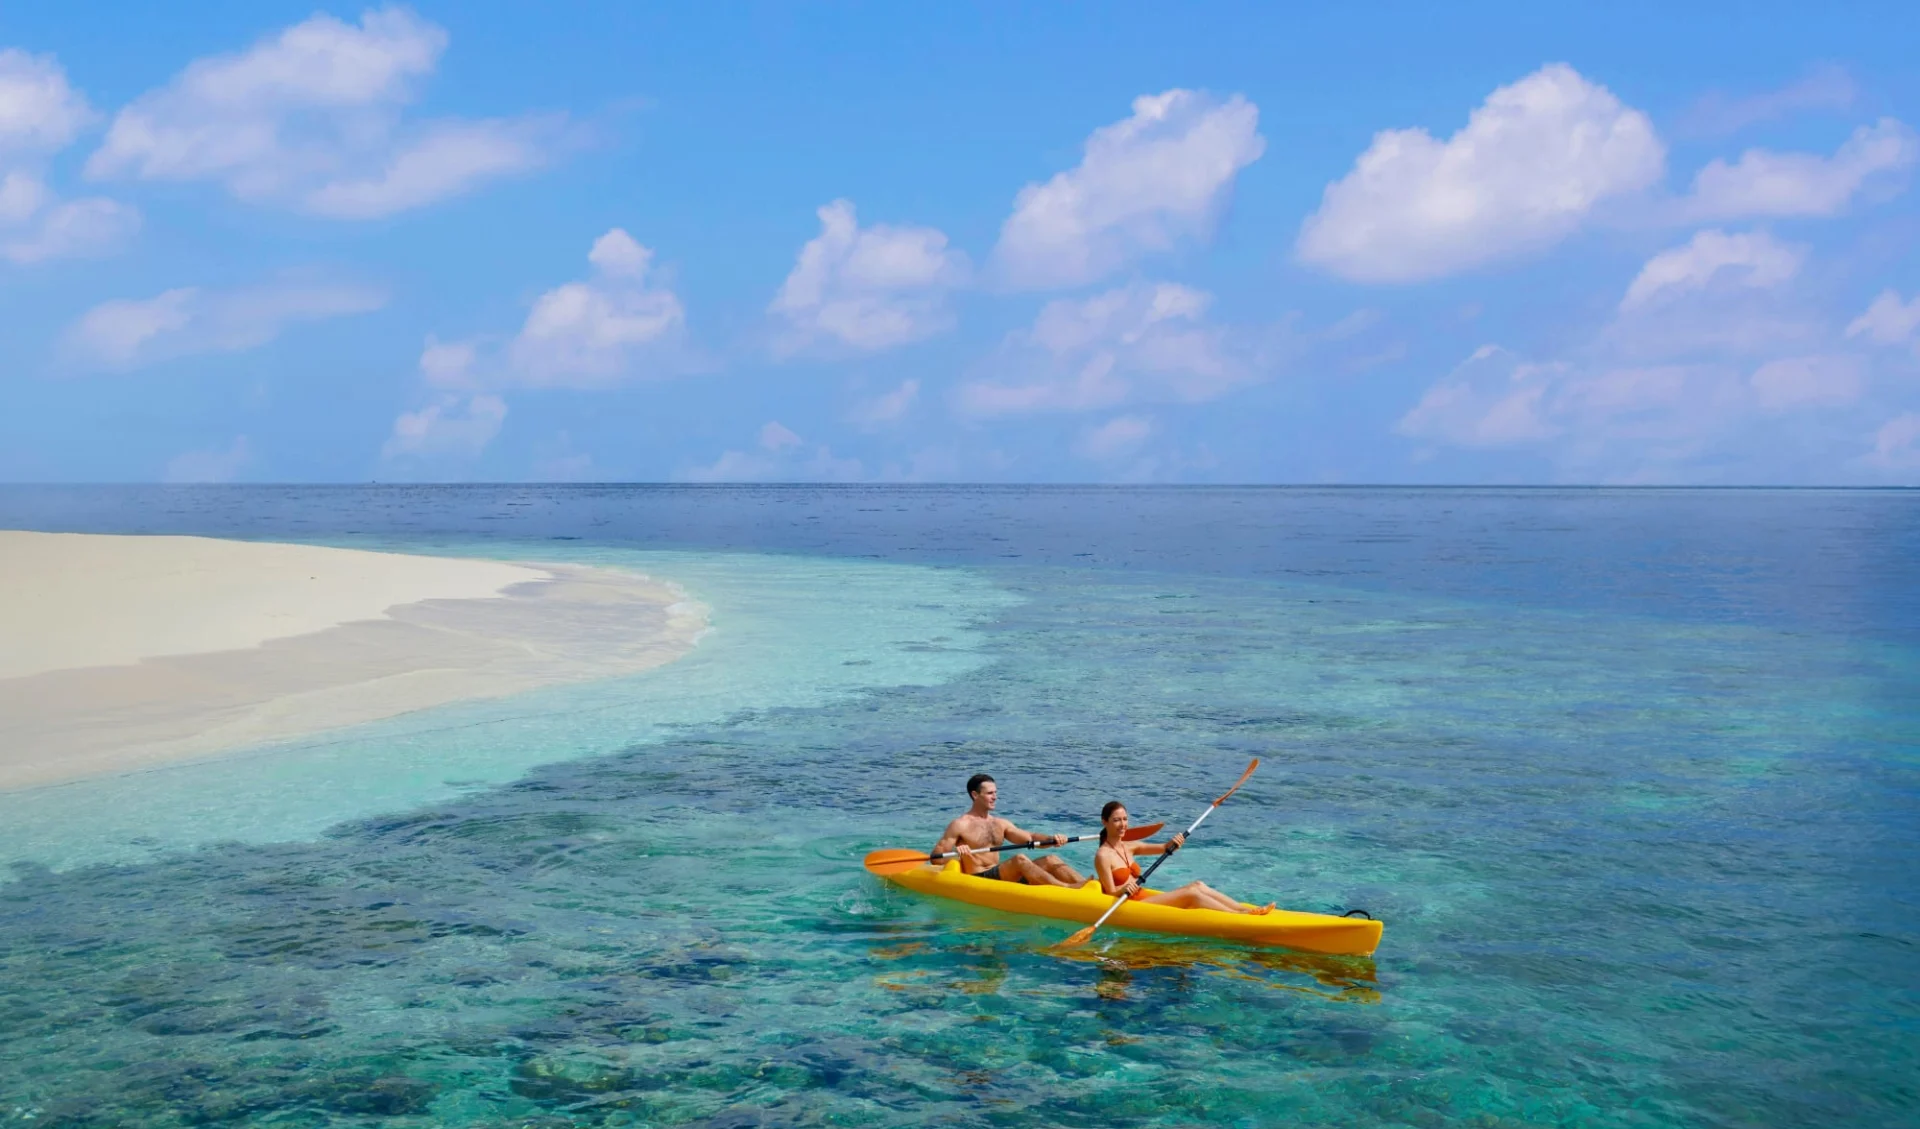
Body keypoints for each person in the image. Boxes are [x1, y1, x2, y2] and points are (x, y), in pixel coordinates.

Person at [1092, 800, 1273, 914]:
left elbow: (1164, 848)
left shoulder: (1131, 846)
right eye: (1116, 820)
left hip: (1143, 897)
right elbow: (1109, 893)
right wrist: (1124, 889)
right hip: (1130, 905)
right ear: (1104, 822)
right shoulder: (1103, 855)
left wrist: (1174, 843)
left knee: (1198, 885)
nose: (1123, 824)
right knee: (1191, 894)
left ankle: (1242, 908)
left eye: (1125, 819)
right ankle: (1239, 917)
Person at [931, 774, 1083, 887]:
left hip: (1001, 875)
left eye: (995, 792)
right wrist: (957, 855)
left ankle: (1090, 888)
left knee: (1051, 859)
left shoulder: (1000, 823)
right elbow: (936, 858)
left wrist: (1052, 839)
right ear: (975, 795)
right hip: (980, 878)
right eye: (990, 793)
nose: (995, 797)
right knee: (1019, 859)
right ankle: (1065, 887)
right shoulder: (960, 825)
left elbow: (1030, 838)